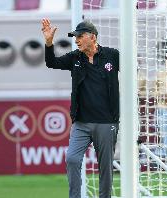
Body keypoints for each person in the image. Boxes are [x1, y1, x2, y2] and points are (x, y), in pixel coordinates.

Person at [41, 18, 119, 198]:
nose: (76, 40)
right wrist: (48, 42)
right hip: (81, 123)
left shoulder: (112, 55)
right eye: (75, 37)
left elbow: (132, 70)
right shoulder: (74, 57)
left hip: (107, 123)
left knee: (106, 168)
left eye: (80, 36)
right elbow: (51, 62)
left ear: (93, 37)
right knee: (72, 159)